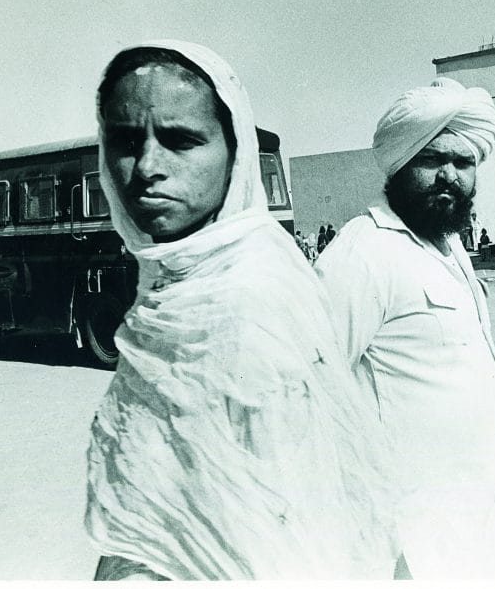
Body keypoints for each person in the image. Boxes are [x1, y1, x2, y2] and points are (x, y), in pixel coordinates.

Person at [84, 41, 396, 581]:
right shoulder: (173, 276)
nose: (147, 168)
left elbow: (289, 519)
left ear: (234, 152)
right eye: (126, 141)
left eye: (181, 141)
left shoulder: (253, 293)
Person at [314, 77, 495, 579]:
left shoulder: (450, 247)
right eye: (431, 159)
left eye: (463, 164)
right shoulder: (364, 251)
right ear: (400, 165)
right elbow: (303, 386)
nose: (448, 176)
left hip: (484, 517)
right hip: (414, 537)